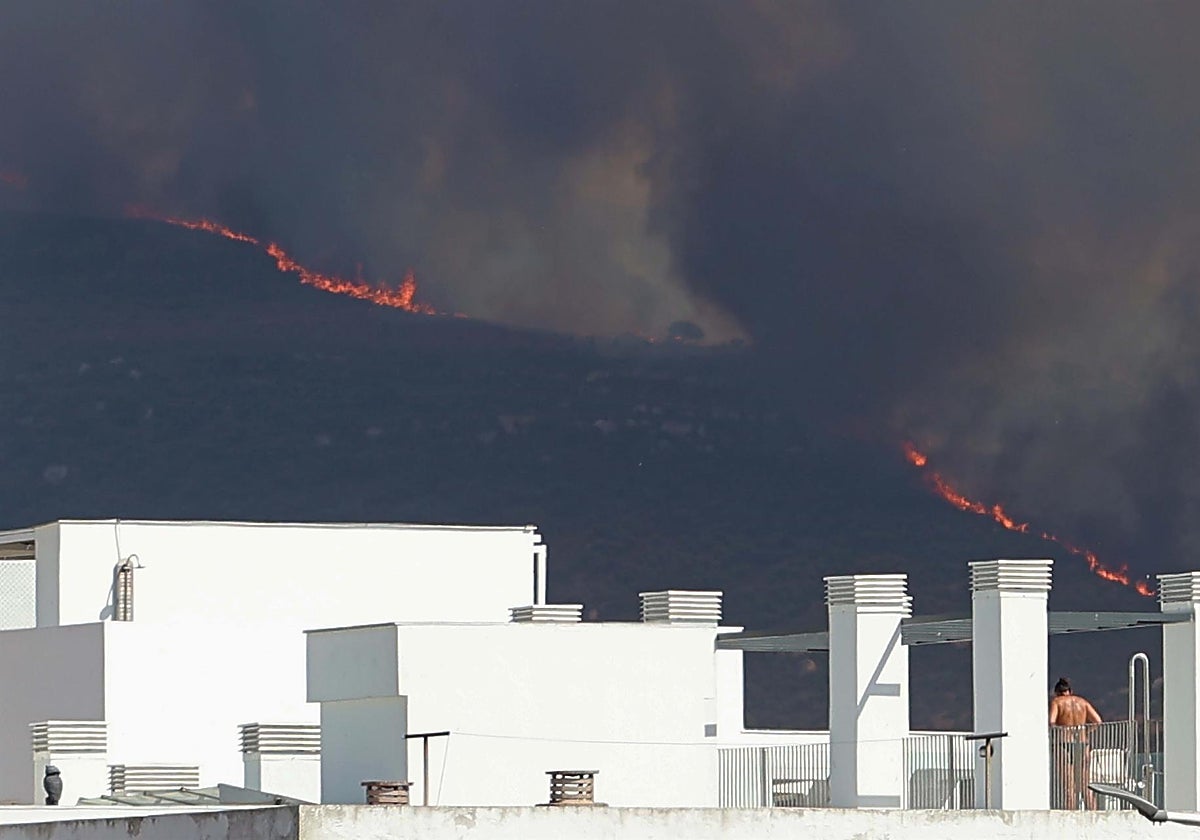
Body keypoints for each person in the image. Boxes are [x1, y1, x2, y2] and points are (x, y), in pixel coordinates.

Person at [1049, 676, 1102, 810]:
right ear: (1070, 691)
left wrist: (1061, 731)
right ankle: (1093, 815)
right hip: (1082, 743)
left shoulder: (1057, 702)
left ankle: (1071, 817)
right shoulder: (1082, 702)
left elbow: (1052, 721)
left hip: (1063, 743)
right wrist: (1085, 731)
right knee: (1085, 785)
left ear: (1057, 692)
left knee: (1069, 787)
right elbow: (1097, 721)